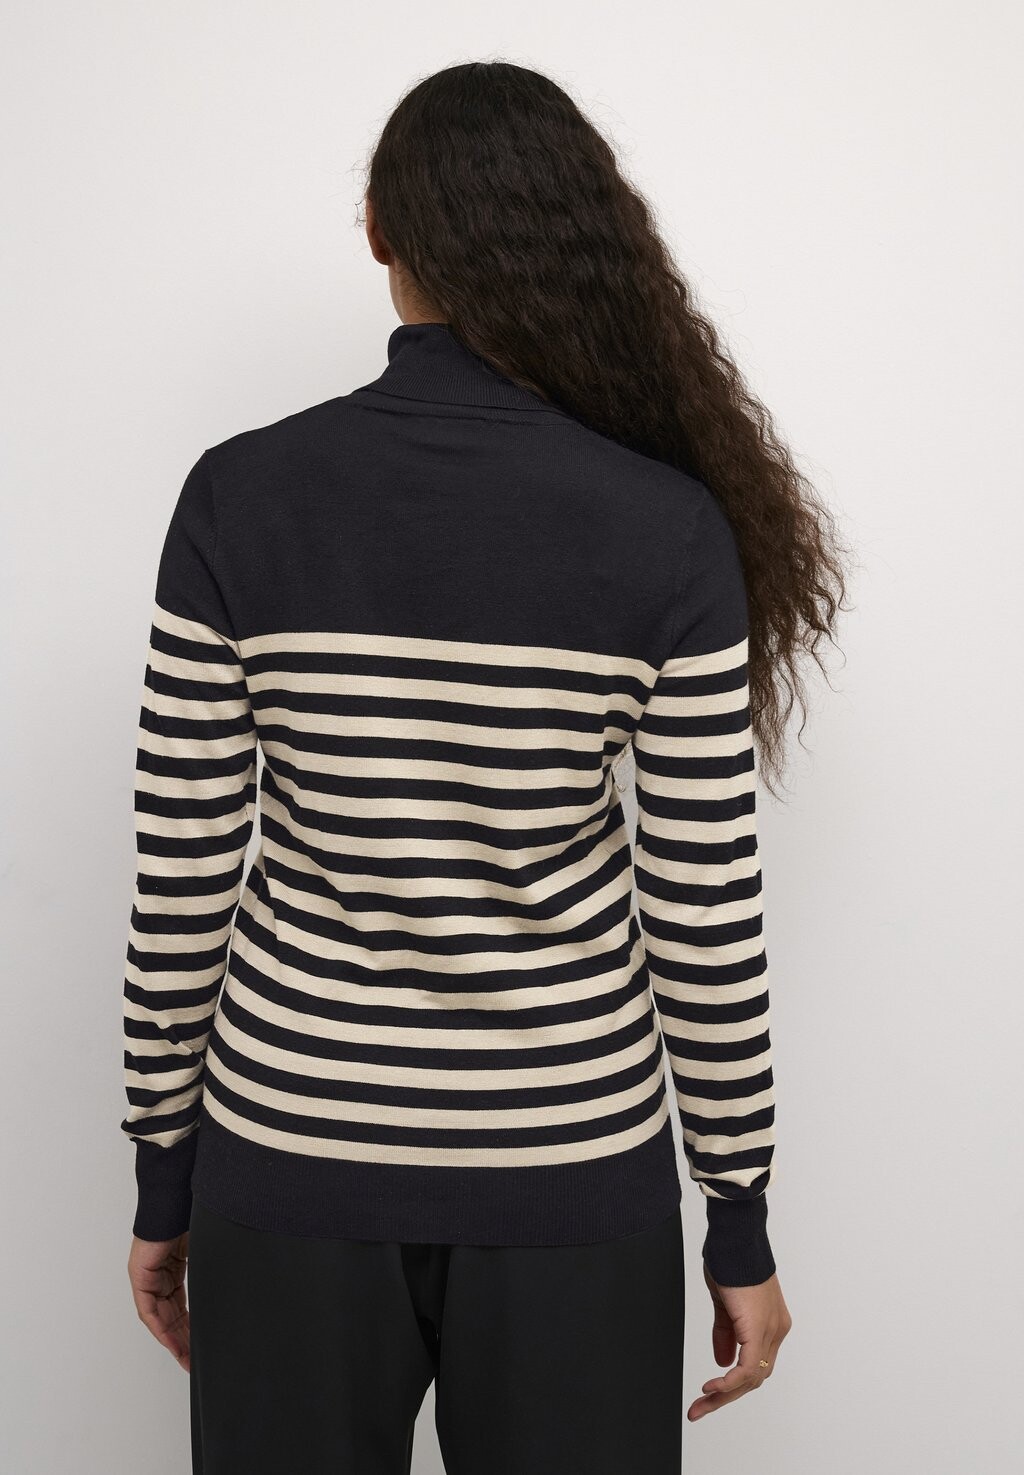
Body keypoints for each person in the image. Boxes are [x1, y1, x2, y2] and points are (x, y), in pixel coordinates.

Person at [121, 60, 847, 1475]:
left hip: (291, 1157)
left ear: (380, 234)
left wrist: (165, 1172)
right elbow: (703, 911)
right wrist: (739, 1218)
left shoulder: (238, 496)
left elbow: (184, 870)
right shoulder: (667, 528)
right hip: (571, 1176)